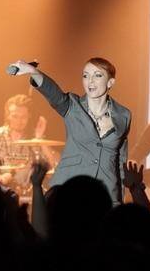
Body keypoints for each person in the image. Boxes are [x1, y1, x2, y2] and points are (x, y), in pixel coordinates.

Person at [7, 57, 131, 206]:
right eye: (86, 75)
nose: (90, 81)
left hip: (106, 194)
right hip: (71, 190)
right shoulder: (73, 106)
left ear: (110, 82)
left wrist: (119, 199)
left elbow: (120, 159)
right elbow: (54, 95)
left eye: (97, 75)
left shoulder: (124, 114)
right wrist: (33, 72)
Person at [0, 94, 57, 191]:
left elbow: (54, 167)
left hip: (25, 193)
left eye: (23, 117)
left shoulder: (34, 142)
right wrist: (0, 178)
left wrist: (39, 137)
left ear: (29, 116)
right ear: (7, 115)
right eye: (15, 116)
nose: (19, 121)